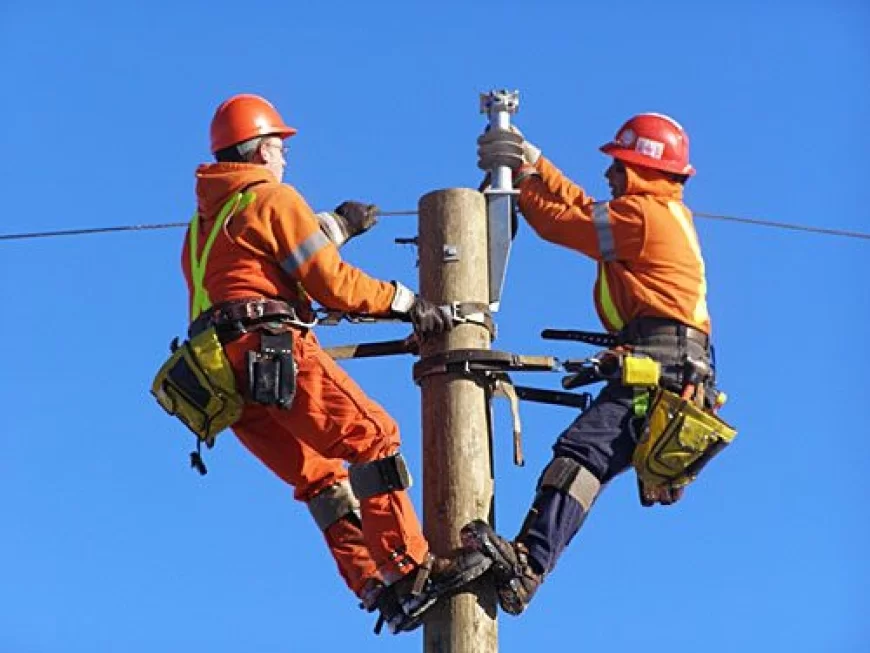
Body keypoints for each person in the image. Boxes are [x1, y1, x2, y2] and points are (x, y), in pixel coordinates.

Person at [182, 93, 490, 633]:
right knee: (373, 437)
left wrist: (335, 227)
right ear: (256, 152)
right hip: (270, 353)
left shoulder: (203, 227)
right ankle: (410, 572)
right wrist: (408, 304)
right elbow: (331, 284)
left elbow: (266, 259)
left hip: (223, 378)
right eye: (278, 148)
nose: (285, 159)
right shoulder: (273, 198)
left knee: (320, 479)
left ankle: (375, 584)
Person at [464, 113, 726, 615]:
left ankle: (527, 566)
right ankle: (528, 563)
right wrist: (536, 163)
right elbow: (588, 207)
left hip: (661, 371)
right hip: (670, 366)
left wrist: (517, 181)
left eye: (617, 166)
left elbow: (563, 224)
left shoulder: (644, 219)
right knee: (586, 457)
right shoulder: (659, 213)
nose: (609, 175)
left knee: (580, 455)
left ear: (639, 170)